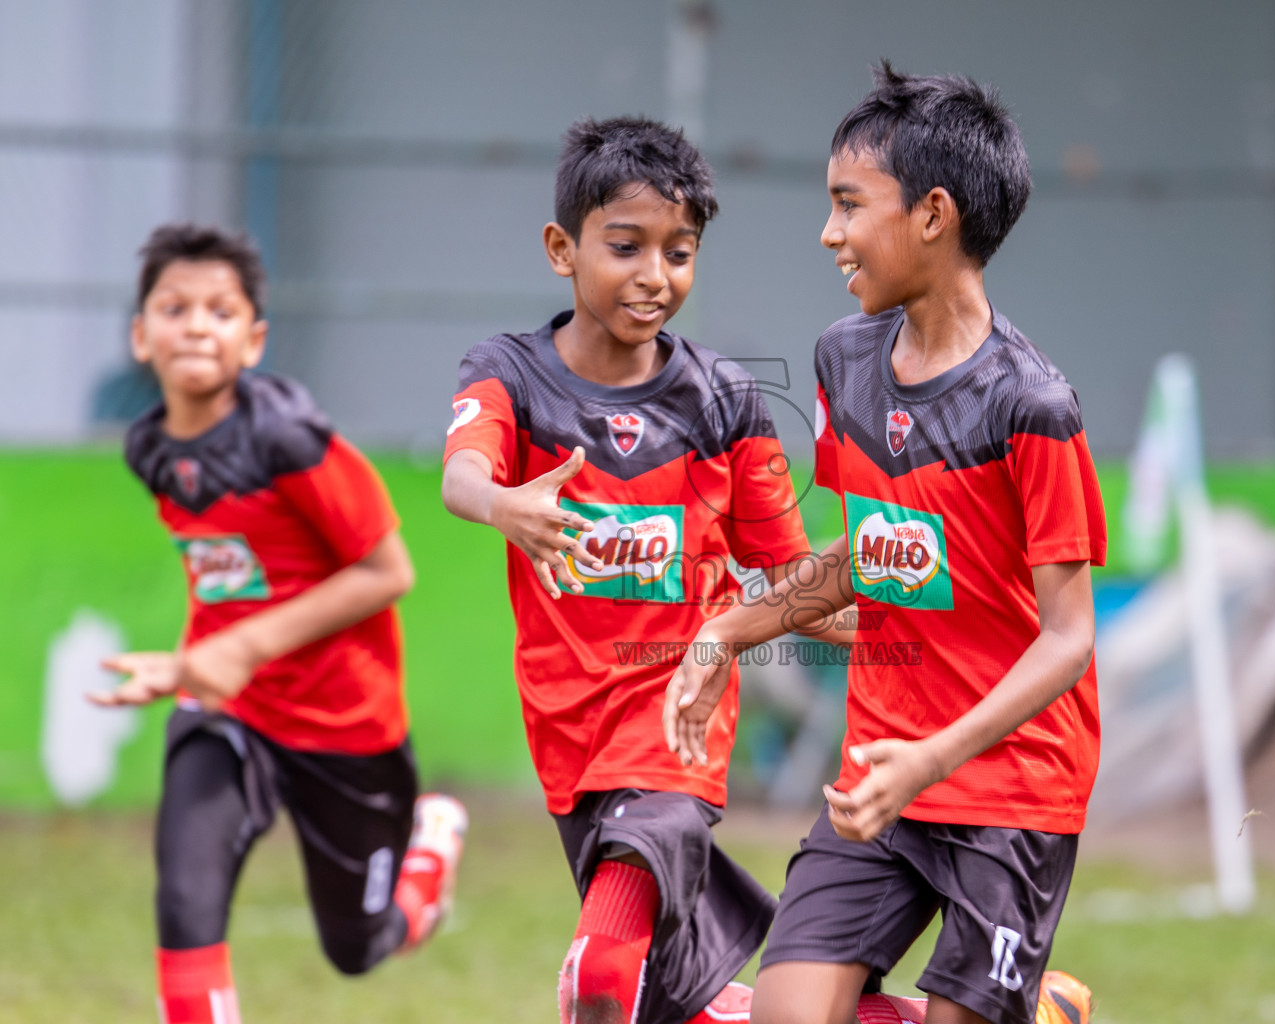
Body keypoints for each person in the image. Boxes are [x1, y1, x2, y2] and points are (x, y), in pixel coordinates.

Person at [663, 63, 1103, 1024]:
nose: (829, 234)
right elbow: (873, 551)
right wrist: (726, 632)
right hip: (880, 769)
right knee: (784, 1016)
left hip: (1011, 786)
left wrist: (932, 759)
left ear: (934, 214)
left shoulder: (1034, 408)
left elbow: (1069, 637)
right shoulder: (844, 358)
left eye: (849, 206)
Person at [440, 116, 813, 1024]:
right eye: (626, 246)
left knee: (599, 981)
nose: (655, 275)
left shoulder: (725, 401)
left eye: (679, 252)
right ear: (561, 249)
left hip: (677, 731)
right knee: (674, 1006)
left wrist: (916, 613)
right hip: (571, 737)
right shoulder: (511, 375)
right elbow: (461, 476)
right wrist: (506, 505)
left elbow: (796, 575)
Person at [91, 224, 466, 1024]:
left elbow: (388, 572)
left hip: (345, 728)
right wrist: (194, 665)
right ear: (139, 334)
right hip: (229, 710)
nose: (196, 324)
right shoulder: (149, 449)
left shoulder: (291, 440)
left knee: (358, 946)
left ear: (253, 340)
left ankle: (428, 850)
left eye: (220, 311)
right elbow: (230, 569)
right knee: (186, 905)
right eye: (174, 307)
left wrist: (240, 646)